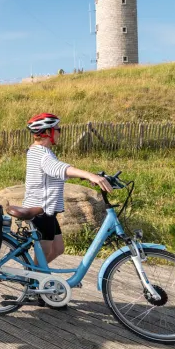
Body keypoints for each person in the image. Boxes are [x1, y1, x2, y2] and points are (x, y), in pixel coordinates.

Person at [24, 113, 112, 266]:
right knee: (43, 253)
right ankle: (33, 283)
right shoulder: (42, 154)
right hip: (41, 210)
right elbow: (58, 168)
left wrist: (82, 176)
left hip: (47, 209)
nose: (60, 132)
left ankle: (36, 275)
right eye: (58, 129)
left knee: (58, 248)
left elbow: (52, 172)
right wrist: (90, 175)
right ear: (48, 132)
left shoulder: (37, 150)